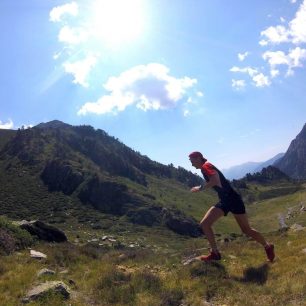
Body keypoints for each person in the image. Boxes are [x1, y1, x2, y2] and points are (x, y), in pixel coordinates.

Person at [189, 151, 275, 262]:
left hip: (231, 199)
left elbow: (215, 180)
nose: (191, 164)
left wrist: (200, 189)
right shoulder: (206, 166)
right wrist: (201, 186)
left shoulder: (206, 166)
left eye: (192, 161)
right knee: (205, 224)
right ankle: (215, 253)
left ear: (198, 158)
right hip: (228, 199)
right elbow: (215, 180)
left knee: (246, 230)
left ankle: (268, 246)